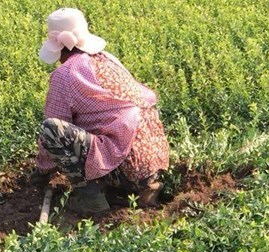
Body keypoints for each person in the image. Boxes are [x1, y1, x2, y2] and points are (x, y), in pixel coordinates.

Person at [36, 8, 170, 214]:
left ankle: (91, 198)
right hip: (151, 161)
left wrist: (42, 171)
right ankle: (143, 189)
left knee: (52, 130)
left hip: (125, 168)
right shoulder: (107, 59)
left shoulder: (65, 75)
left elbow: (55, 130)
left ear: (57, 47)